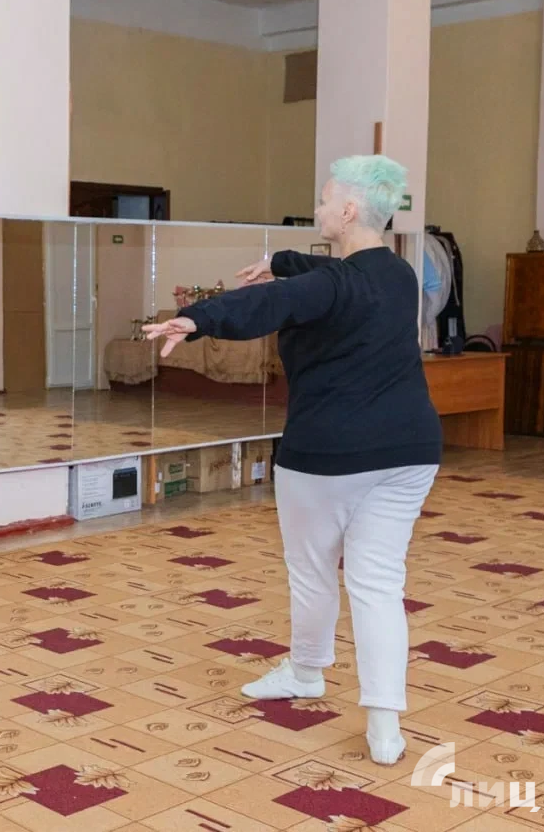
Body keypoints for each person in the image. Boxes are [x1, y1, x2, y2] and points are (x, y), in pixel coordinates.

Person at [143, 155, 442, 766]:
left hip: (329, 454)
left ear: (349, 210)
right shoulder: (398, 275)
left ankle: (307, 673)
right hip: (411, 450)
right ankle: (384, 728)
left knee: (312, 572)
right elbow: (326, 278)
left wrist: (197, 318)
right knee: (378, 583)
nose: (318, 207)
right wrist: (282, 259)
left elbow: (277, 303)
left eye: (326, 198)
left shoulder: (331, 286)